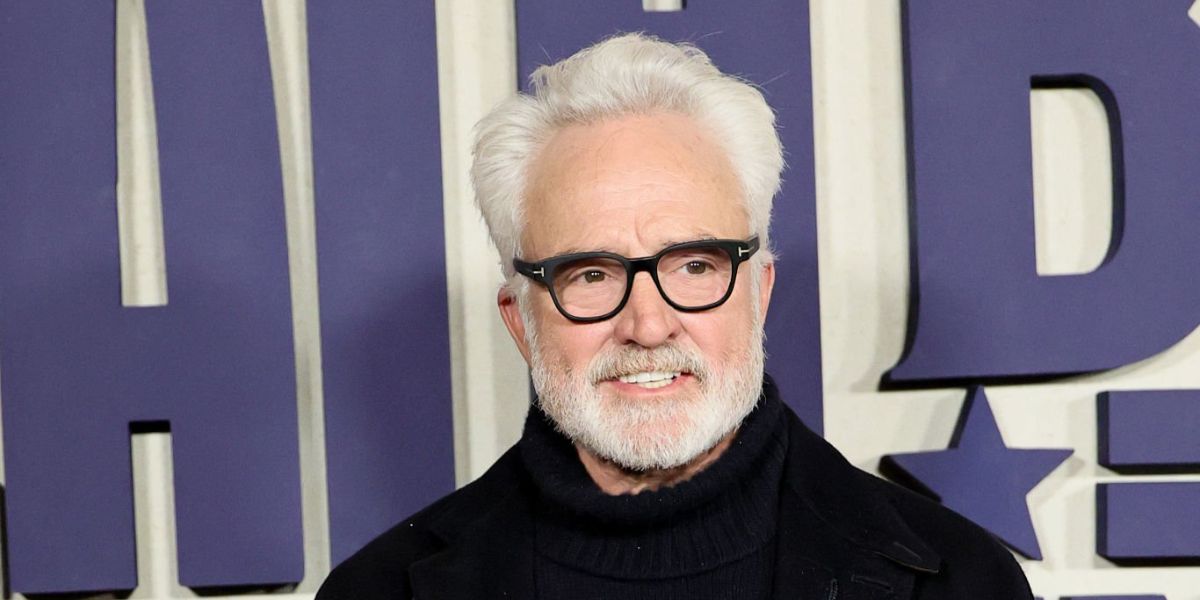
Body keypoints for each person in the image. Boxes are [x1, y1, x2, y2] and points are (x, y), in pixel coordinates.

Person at [316, 33, 1033, 599]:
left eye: (694, 266)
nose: (649, 325)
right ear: (519, 319)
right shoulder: (377, 591)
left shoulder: (961, 583)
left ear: (759, 291)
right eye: (590, 274)